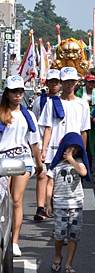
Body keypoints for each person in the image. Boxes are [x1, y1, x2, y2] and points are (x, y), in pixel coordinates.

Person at [0, 75, 43, 257]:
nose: (17, 95)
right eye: (14, 92)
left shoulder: (28, 114)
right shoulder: (1, 112)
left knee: (16, 199)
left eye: (20, 92)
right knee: (3, 197)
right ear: (7, 93)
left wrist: (39, 163)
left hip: (22, 158)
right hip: (3, 157)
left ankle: (15, 240)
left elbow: (34, 142)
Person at [39, 67, 91, 217]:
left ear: (76, 83)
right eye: (66, 81)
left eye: (72, 81)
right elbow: (48, 128)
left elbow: (84, 131)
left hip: (73, 151)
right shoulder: (51, 103)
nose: (69, 85)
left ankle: (70, 214)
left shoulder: (82, 104)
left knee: (72, 182)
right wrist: (44, 150)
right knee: (53, 181)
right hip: (55, 149)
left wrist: (83, 152)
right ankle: (52, 209)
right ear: (61, 82)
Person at [47, 132, 90, 273]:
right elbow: (49, 184)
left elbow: (83, 172)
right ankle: (57, 255)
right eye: (68, 148)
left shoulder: (79, 162)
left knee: (74, 235)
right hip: (60, 204)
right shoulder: (56, 165)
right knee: (59, 234)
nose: (71, 151)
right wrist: (48, 203)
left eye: (75, 149)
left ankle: (69, 264)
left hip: (76, 204)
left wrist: (72, 159)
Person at [32, 68, 61, 221]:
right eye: (52, 82)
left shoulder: (65, 101)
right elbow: (35, 124)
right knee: (42, 175)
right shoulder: (39, 101)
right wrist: (37, 145)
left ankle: (53, 204)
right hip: (43, 143)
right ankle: (40, 207)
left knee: (56, 177)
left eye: (57, 82)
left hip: (59, 143)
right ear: (47, 83)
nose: (54, 85)